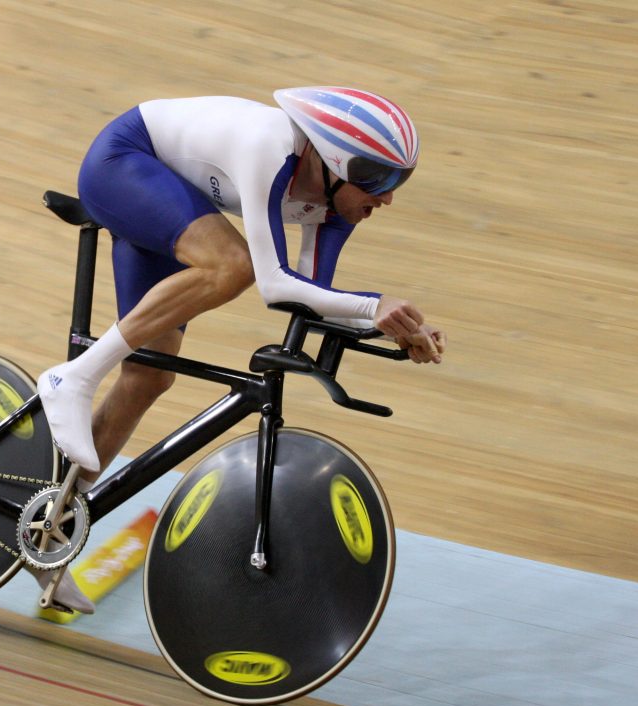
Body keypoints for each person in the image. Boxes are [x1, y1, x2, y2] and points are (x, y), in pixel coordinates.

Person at [35, 86, 446, 613]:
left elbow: (313, 301)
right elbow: (273, 283)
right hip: (124, 163)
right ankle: (75, 376)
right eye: (381, 179)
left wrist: (397, 328)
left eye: (400, 181)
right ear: (340, 161)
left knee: (148, 378)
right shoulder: (270, 148)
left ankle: (48, 543)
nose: (388, 199)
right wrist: (374, 306)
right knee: (232, 265)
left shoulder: (338, 208)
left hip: (171, 199)